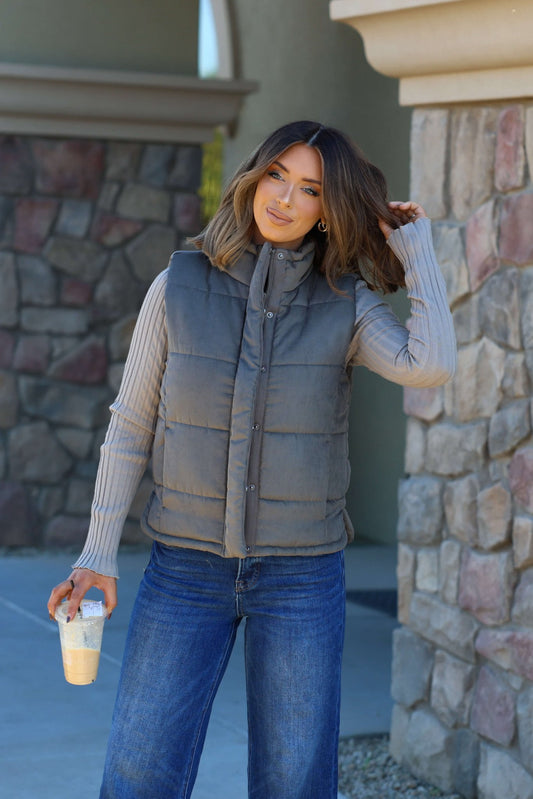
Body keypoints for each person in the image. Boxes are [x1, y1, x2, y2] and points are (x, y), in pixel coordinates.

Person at [48, 120, 456, 799]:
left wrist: (414, 249)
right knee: (137, 775)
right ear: (252, 177)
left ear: (328, 209)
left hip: (301, 578)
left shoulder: (345, 305)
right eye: (276, 176)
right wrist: (98, 552)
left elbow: (431, 364)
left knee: (294, 783)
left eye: (310, 189)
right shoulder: (178, 285)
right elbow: (131, 424)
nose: (286, 199)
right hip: (184, 569)